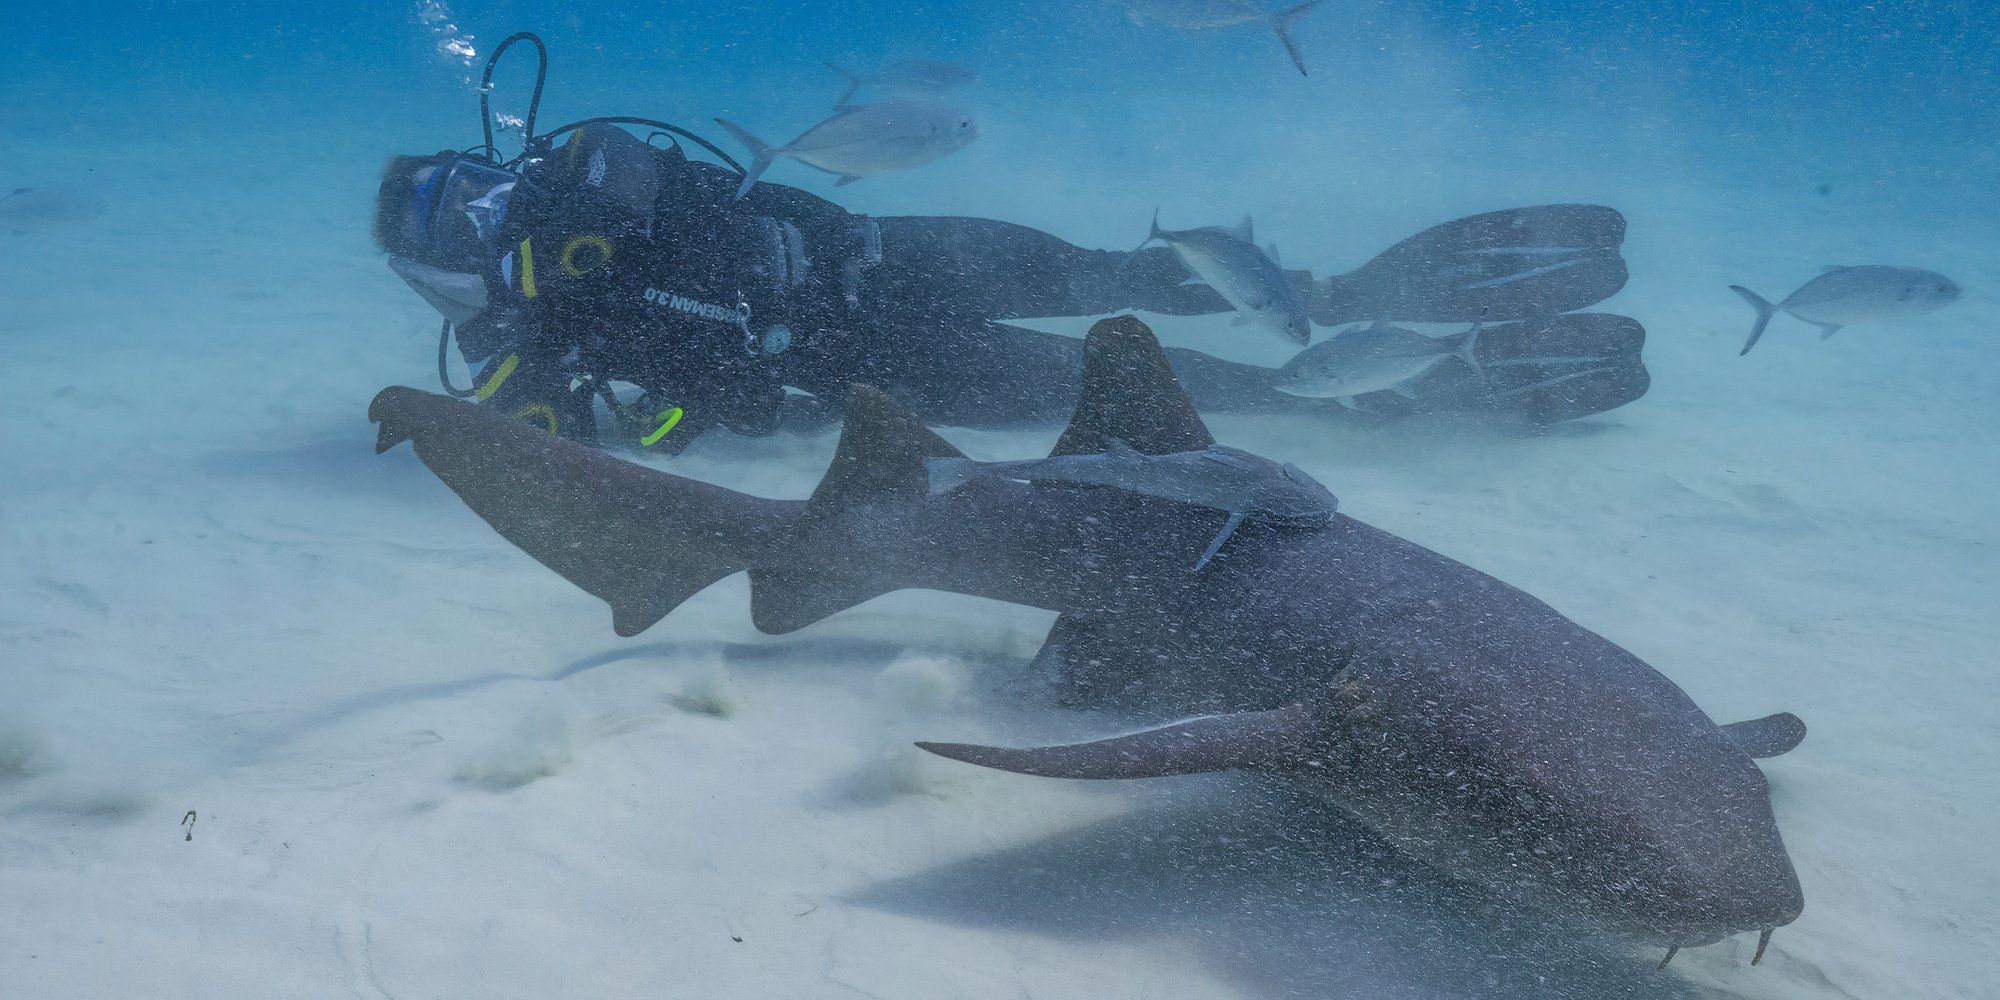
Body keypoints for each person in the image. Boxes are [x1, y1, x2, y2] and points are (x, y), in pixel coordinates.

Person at [375, 121, 1646, 454]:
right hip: (892, 305)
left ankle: (1372, 335)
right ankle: (1401, 371)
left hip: (883, 302)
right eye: (463, 217)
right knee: (1140, 344)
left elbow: (686, 411)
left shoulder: (565, 243)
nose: (491, 214)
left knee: (1138, 303)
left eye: (471, 193)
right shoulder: (552, 275)